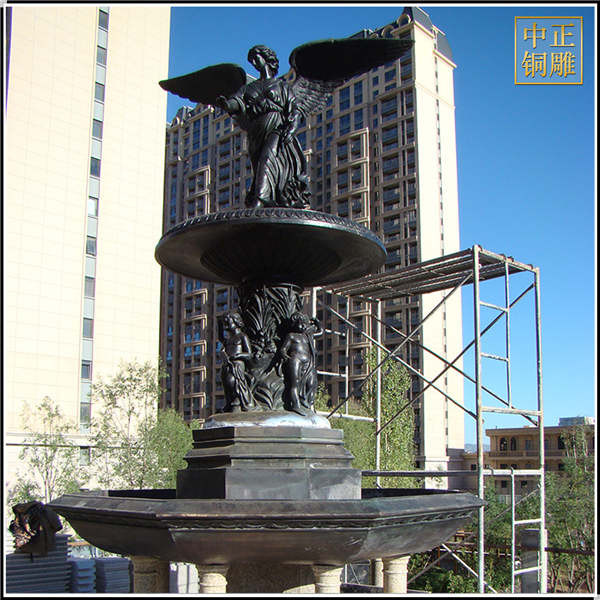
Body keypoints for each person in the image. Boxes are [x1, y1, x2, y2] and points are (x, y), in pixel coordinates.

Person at [216, 45, 310, 209]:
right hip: (256, 132)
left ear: (267, 59)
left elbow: (295, 109)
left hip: (277, 127)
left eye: (256, 58)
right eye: (251, 60)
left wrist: (293, 127)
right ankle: (267, 198)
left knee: (267, 158)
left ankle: (260, 199)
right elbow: (236, 102)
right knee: (260, 165)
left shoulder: (282, 86)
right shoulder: (248, 88)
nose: (253, 62)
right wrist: (226, 104)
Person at [277, 312, 322, 415]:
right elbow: (283, 348)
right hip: (295, 360)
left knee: (311, 383)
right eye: (300, 324)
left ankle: (305, 401)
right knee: (295, 383)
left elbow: (320, 332)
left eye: (304, 324)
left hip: (308, 363)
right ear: (294, 324)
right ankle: (296, 405)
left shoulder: (307, 336)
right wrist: (284, 354)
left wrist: (317, 322)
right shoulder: (291, 336)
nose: (302, 326)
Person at [218, 312, 255, 412]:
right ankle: (229, 402)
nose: (226, 327)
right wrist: (223, 355)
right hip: (227, 364)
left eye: (228, 324)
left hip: (237, 364)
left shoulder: (242, 336)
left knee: (232, 381)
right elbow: (222, 348)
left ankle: (238, 399)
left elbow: (249, 354)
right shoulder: (227, 340)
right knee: (225, 383)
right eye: (224, 325)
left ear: (236, 322)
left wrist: (238, 355)